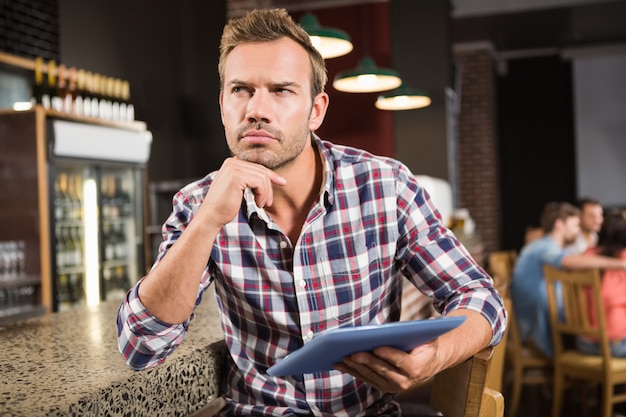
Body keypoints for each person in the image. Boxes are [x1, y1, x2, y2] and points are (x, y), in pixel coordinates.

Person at [117, 8, 506, 416]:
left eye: (282, 90)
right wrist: (208, 221)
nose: (257, 110)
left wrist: (435, 357)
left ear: (316, 110)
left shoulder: (385, 187)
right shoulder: (199, 204)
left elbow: (480, 298)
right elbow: (142, 345)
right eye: (240, 90)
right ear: (223, 105)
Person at [510, 202, 626, 358]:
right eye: (575, 225)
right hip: (535, 330)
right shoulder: (544, 249)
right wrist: (619, 264)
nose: (578, 232)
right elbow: (567, 260)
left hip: (545, 325)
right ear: (559, 224)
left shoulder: (542, 246)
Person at [576, 209, 626, 356]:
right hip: (613, 345)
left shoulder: (588, 254)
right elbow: (609, 297)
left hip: (582, 341)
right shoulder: (622, 260)